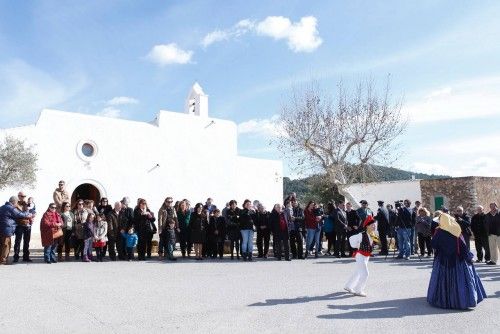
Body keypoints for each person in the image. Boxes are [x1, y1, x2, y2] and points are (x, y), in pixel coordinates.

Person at [427, 212, 487, 309]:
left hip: (443, 259)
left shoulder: (439, 232)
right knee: (460, 280)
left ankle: (445, 300)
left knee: (443, 279)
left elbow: (433, 244)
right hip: (457, 259)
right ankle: (461, 300)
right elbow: (463, 246)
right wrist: (468, 257)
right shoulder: (456, 230)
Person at [344, 216, 378, 297]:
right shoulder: (361, 235)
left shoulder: (374, 234)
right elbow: (351, 239)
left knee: (358, 272)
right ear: (367, 226)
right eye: (372, 225)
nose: (374, 226)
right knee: (365, 273)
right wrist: (357, 246)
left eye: (375, 224)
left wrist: (373, 246)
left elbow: (375, 244)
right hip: (360, 255)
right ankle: (358, 290)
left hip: (367, 256)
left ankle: (348, 286)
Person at [0, 196, 33, 265]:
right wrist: (27, 211)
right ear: (14, 202)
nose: (17, 204)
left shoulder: (2, 207)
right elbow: (20, 214)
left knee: (2, 245)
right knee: (6, 245)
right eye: (16, 203)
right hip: (7, 229)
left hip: (2, 228)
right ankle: (3, 260)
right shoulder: (11, 208)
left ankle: (2, 259)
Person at [13, 191, 35, 263]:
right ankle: (16, 257)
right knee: (18, 241)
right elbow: (17, 214)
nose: (24, 197)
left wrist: (33, 214)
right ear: (18, 196)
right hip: (19, 225)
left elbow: (32, 212)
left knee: (26, 242)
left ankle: (26, 257)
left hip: (28, 225)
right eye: (22, 196)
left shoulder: (28, 203)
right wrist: (26, 214)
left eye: (24, 196)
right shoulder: (15, 204)